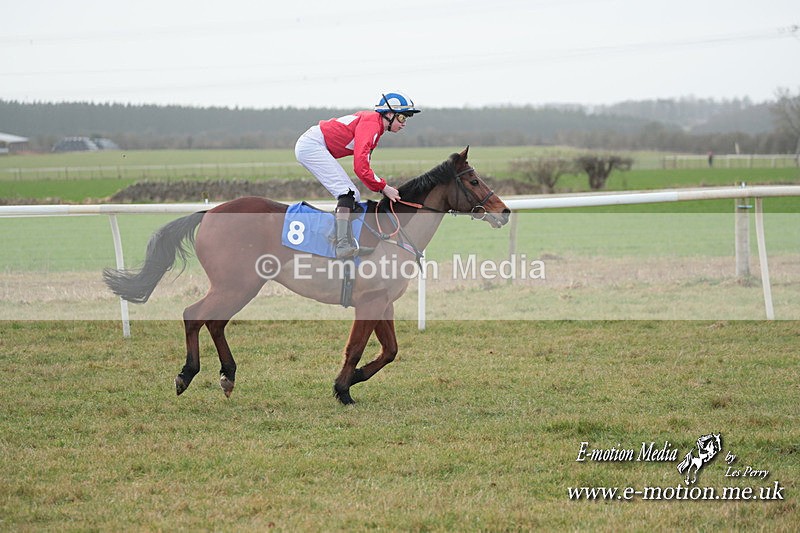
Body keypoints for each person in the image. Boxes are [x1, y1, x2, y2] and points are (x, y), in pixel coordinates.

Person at [295, 92, 421, 258]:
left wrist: (381, 187)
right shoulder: (372, 125)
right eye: (402, 118)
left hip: (315, 144)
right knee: (348, 192)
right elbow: (360, 167)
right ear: (389, 114)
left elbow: (364, 166)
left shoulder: (375, 127)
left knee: (353, 195)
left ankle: (342, 239)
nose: (404, 123)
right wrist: (384, 188)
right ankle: (340, 244)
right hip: (312, 146)